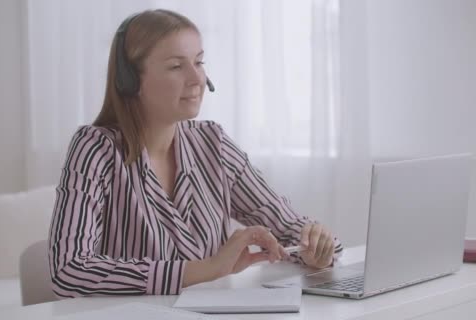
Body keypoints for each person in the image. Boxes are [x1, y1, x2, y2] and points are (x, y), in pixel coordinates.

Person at [48, 9, 342, 298]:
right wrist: (207, 269)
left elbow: (286, 225)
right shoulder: (94, 149)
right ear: (130, 80)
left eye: (199, 62)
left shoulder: (213, 142)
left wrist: (317, 248)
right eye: (177, 66)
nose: (197, 79)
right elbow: (69, 270)